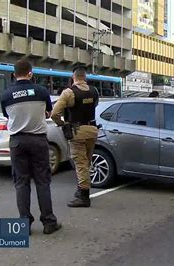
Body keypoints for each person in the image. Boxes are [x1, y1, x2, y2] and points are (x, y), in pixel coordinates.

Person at [0, 59, 61, 235]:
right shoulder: (41, 92)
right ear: (30, 73)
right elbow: (48, 112)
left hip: (17, 142)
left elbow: (7, 116)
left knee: (21, 182)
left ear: (14, 74)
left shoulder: (6, 95)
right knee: (42, 181)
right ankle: (49, 222)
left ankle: (24, 224)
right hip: (38, 141)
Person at [51, 66, 98, 208]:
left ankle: (83, 197)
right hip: (92, 130)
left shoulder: (69, 93)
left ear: (73, 77)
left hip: (77, 132)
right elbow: (93, 105)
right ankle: (80, 191)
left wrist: (63, 124)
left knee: (80, 164)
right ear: (85, 77)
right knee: (87, 162)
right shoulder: (94, 91)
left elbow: (54, 114)